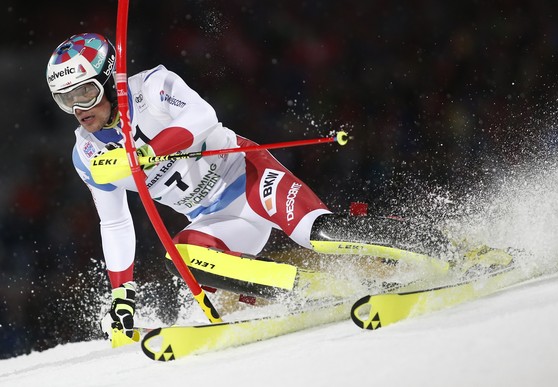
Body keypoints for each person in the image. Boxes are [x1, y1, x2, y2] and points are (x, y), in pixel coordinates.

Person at [46, 33, 473, 343]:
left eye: (84, 93)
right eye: (64, 100)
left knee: (320, 234)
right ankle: (303, 291)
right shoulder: (87, 155)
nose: (78, 110)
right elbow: (115, 222)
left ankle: (439, 246)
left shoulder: (154, 87)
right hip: (214, 217)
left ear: (108, 80)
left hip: (249, 176)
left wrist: (148, 152)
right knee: (185, 253)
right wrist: (123, 294)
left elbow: (203, 118)